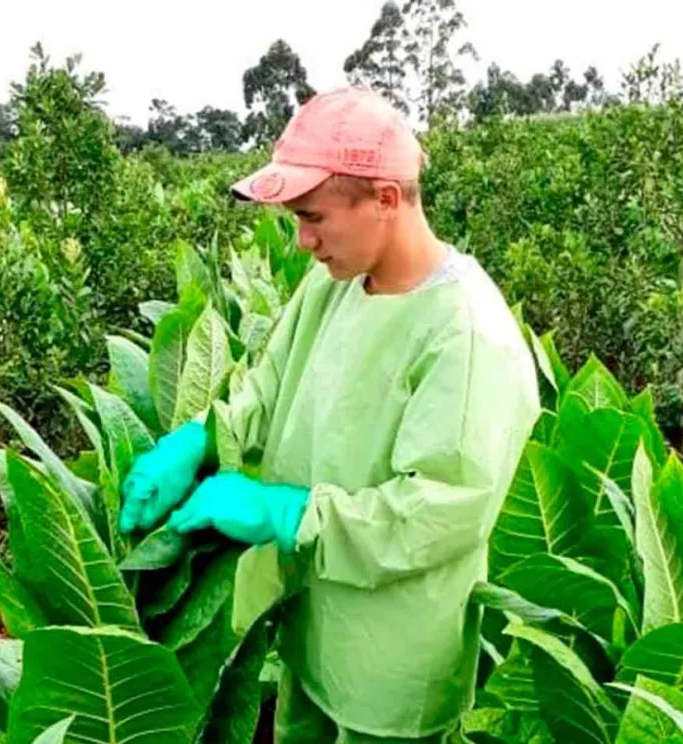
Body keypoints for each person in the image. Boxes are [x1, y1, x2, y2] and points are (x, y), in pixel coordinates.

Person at [118, 87, 541, 743]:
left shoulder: (467, 334)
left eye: (313, 216)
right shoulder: (333, 282)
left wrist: (285, 513)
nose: (303, 240)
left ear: (387, 199)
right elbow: (270, 383)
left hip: (392, 665)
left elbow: (437, 514)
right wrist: (201, 441)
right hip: (311, 622)